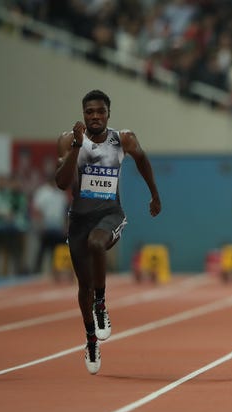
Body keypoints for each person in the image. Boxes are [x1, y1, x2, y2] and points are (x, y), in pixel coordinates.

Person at [55, 89, 161, 374]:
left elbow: (142, 160)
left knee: (97, 244)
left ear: (108, 114)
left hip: (110, 213)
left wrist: (154, 194)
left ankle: (101, 305)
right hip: (79, 218)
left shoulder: (122, 139)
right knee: (83, 287)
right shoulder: (68, 139)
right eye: (90, 112)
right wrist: (77, 146)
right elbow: (62, 183)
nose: (95, 117)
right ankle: (91, 340)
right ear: (83, 115)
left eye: (100, 111)